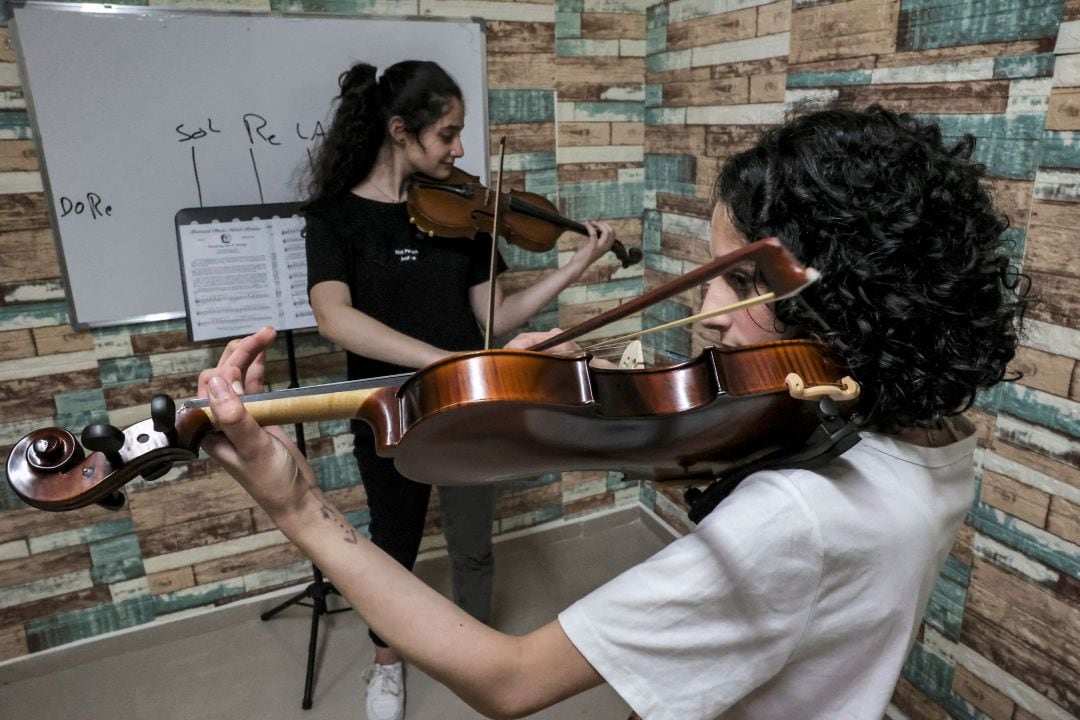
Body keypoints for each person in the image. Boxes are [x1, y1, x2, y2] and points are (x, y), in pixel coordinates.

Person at [204, 105, 1028, 719]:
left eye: (741, 282)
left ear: (850, 304)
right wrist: (586, 386)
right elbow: (740, 453)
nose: (705, 311)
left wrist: (300, 508)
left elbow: (509, 679)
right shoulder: (934, 437)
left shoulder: (796, 520)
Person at [300, 60, 616, 720]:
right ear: (399, 132)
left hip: (468, 404)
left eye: (459, 134)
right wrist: (443, 361)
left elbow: (494, 319)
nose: (459, 149)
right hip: (388, 407)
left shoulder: (465, 211)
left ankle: (479, 660)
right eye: (447, 134)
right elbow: (336, 317)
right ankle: (387, 666)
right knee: (394, 540)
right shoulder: (335, 218)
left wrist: (575, 264)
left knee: (474, 542)